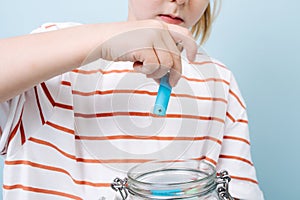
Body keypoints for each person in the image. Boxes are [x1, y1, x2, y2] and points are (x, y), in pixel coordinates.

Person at [0, 0, 264, 199]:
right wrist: (105, 41)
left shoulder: (220, 81)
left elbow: (237, 191)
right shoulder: (60, 57)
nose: (180, 0)